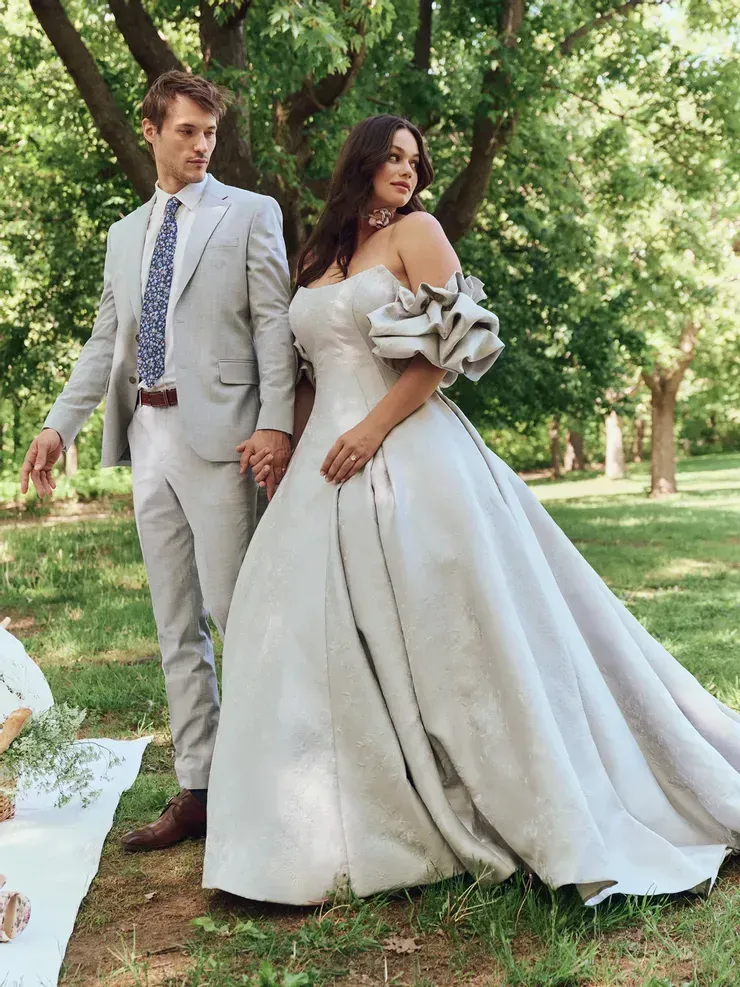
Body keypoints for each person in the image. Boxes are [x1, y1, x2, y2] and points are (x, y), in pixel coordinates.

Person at [202, 113, 740, 907]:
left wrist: (371, 431)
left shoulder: (418, 233)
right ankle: (305, 841)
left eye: (414, 161)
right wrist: (287, 442)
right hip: (325, 458)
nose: (405, 171)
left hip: (410, 450)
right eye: (390, 157)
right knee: (277, 620)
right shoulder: (317, 255)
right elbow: (308, 365)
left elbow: (449, 353)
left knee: (454, 627)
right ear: (360, 162)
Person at [19, 71, 296, 851]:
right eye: (186, 131)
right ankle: (199, 790)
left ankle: (270, 788)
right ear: (152, 130)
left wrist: (276, 424)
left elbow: (273, 326)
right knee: (176, 624)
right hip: (150, 436)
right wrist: (57, 425)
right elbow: (107, 342)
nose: (202, 145)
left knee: (239, 616)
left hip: (227, 438)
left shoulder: (250, 214)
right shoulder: (124, 234)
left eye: (209, 133)